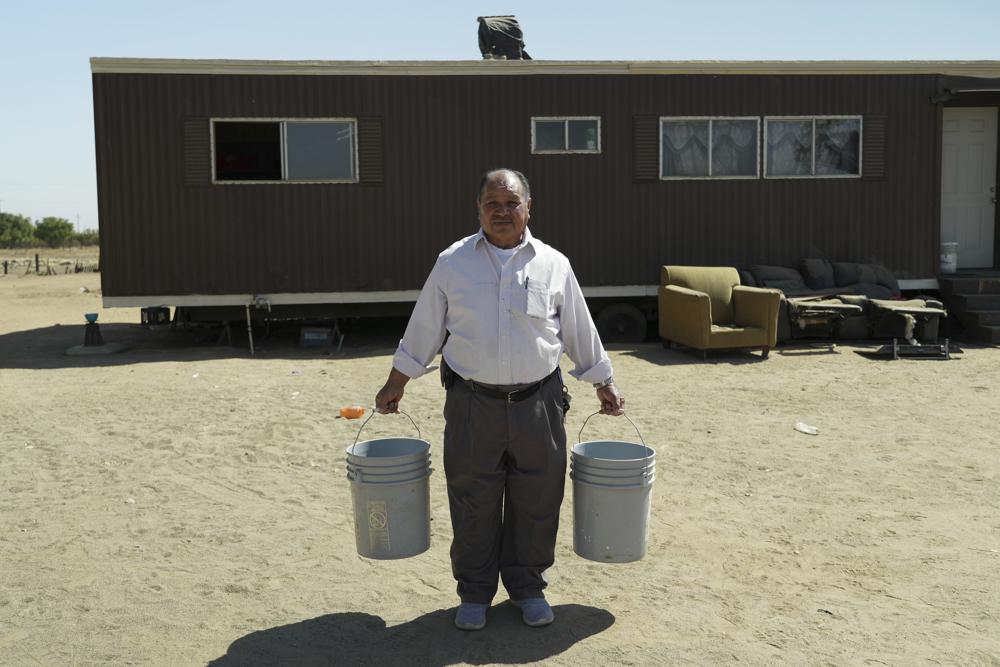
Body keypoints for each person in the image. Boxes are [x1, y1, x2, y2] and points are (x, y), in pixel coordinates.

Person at [375, 168, 624, 631]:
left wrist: (603, 381)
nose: (502, 211)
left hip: (540, 402)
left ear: (529, 207)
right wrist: (397, 381)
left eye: (511, 203)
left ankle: (528, 588)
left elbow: (577, 328)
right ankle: (474, 594)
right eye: (493, 203)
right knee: (473, 498)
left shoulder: (553, 263)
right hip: (472, 403)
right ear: (479, 210)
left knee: (538, 498)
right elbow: (425, 327)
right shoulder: (452, 263)